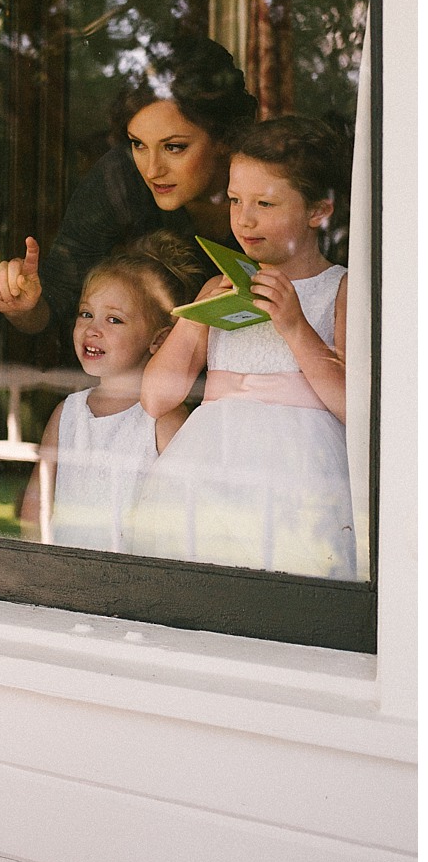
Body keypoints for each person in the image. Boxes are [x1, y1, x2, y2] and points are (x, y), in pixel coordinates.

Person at [128, 116, 354, 578]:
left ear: (318, 210)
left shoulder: (340, 289)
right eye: (234, 200)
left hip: (300, 476)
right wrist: (194, 324)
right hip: (210, 468)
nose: (244, 219)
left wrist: (295, 327)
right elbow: (155, 399)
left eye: (265, 203)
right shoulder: (220, 282)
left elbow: (356, 406)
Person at [0, 36, 258, 340]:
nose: (152, 170)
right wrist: (22, 307)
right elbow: (55, 303)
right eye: (138, 144)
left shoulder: (268, 181)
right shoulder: (120, 178)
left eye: (174, 147)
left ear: (224, 138)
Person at [21, 232, 206, 552]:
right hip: (67, 572)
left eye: (114, 319)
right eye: (86, 313)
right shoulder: (68, 413)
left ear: (158, 340)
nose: (93, 329)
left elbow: (187, 510)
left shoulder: (163, 419)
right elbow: (37, 501)